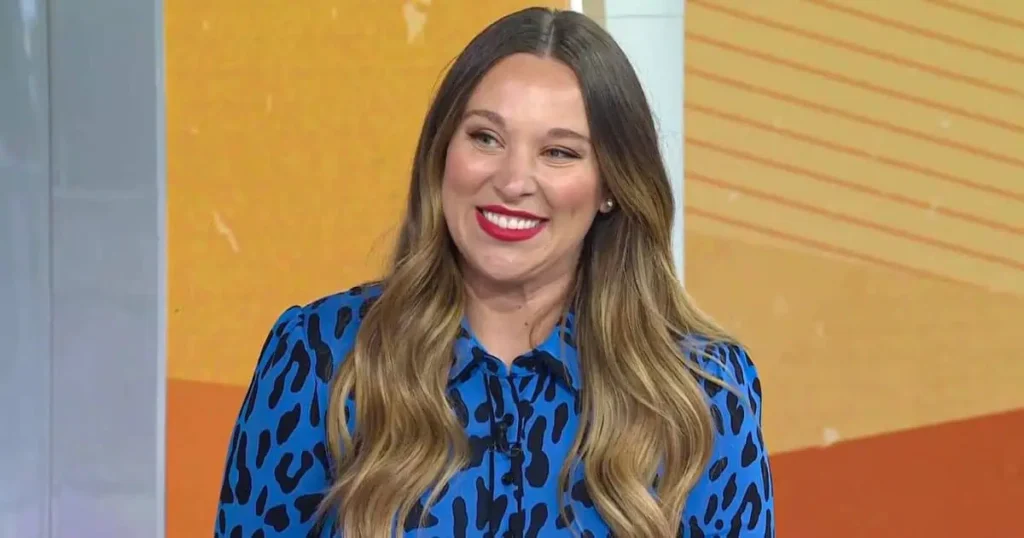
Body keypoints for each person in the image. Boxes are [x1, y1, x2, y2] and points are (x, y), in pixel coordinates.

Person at [215, 6, 773, 538]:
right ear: (442, 154)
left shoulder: (700, 391)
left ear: (611, 186)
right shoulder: (321, 356)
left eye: (558, 152)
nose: (512, 180)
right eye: (486, 137)